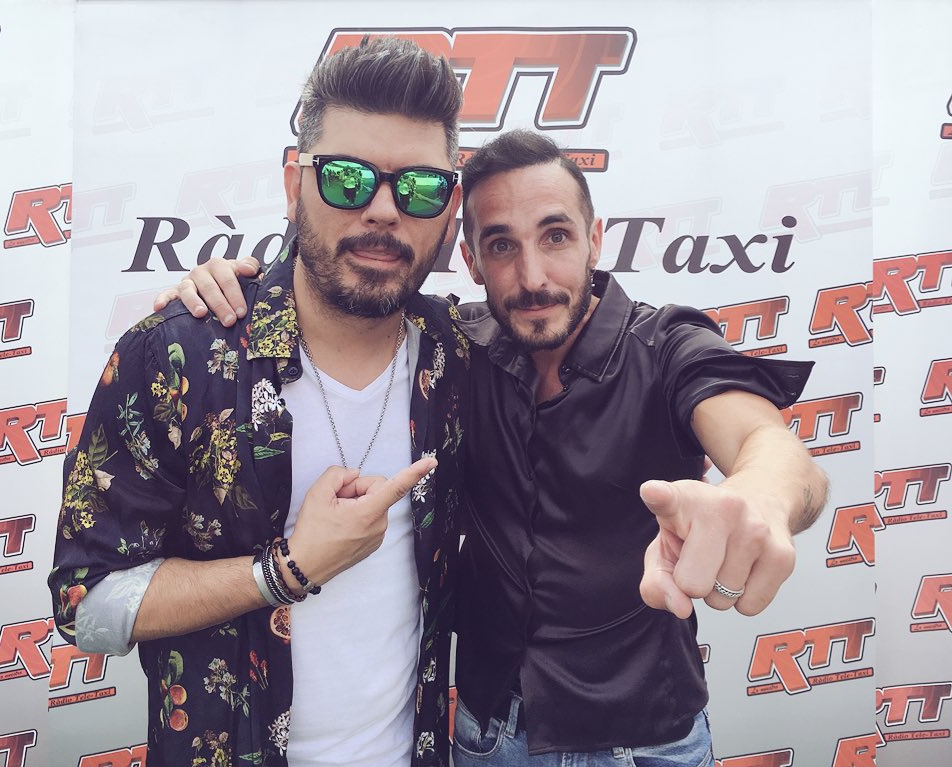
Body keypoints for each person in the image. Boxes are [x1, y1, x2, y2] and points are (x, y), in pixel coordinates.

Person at [165, 129, 828, 765]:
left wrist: (761, 498)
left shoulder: (665, 346)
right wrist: (220, 290)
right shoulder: (456, 345)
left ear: (595, 239)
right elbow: (330, 293)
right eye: (502, 245)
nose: (532, 276)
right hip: (488, 736)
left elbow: (766, 443)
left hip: (647, 739)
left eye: (556, 236)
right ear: (472, 259)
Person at [49, 37, 469, 767]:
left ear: (451, 207)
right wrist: (281, 572)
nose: (382, 210)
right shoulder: (179, 356)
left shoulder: (457, 355)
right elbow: (85, 607)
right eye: (347, 178)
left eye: (421, 188)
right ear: (293, 183)